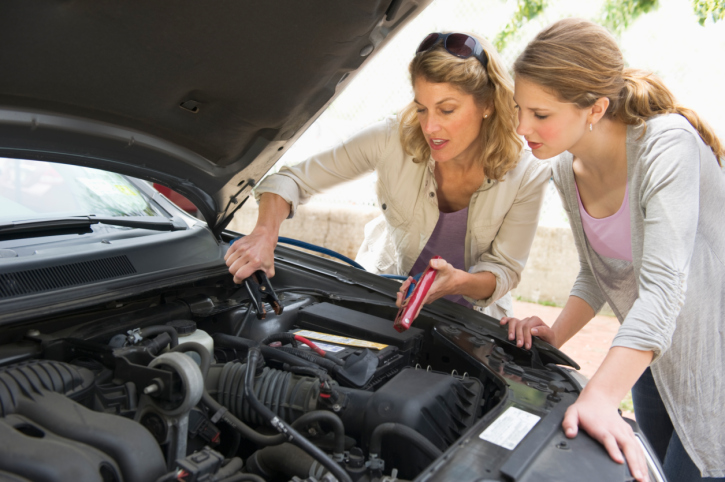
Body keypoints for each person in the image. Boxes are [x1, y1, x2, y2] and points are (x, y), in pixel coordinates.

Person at [503, 18, 725, 481]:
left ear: (596, 108)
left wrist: (600, 396)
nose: (522, 126)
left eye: (540, 114)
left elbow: (664, 290)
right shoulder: (566, 169)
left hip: (713, 363)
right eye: (520, 109)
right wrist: (556, 335)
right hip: (651, 361)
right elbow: (599, 271)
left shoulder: (667, 146)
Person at [225, 32, 551, 319]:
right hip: (387, 296)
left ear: (487, 105)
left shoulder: (527, 173)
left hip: (473, 317)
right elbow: (292, 180)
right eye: (422, 108)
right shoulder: (391, 138)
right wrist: (264, 234)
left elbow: (504, 270)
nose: (430, 127)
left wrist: (458, 282)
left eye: (447, 110)